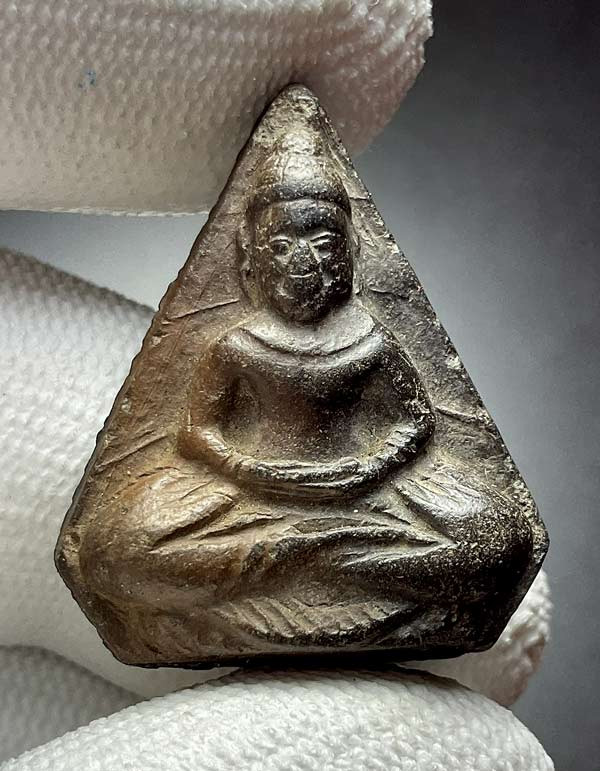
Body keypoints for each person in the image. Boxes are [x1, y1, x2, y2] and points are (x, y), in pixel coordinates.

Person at [79, 134, 534, 665]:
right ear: (250, 261)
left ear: (351, 253)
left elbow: (415, 422)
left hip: (368, 493)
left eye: (322, 243)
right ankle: (309, 559)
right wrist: (249, 470)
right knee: (110, 551)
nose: (303, 261)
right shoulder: (236, 345)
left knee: (498, 541)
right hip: (249, 494)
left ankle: (320, 566)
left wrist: (371, 467)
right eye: (280, 246)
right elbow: (197, 432)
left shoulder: (371, 340)